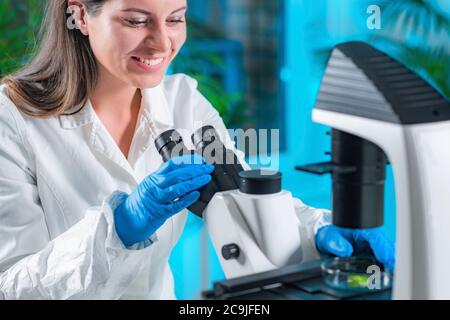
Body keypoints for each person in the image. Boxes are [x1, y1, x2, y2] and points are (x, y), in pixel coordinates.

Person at [0, 0, 394, 300]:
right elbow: (10, 285)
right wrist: (119, 227)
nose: (162, 41)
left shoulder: (182, 101)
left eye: (175, 18)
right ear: (80, 16)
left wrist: (320, 230)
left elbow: (245, 198)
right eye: (136, 20)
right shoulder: (12, 118)